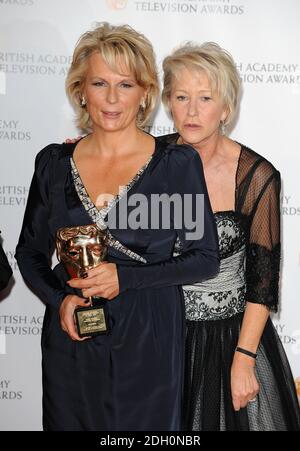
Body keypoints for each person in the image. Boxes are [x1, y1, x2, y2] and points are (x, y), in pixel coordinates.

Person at [15, 23, 219, 431]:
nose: (111, 98)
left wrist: (125, 279)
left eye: (125, 84)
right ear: (81, 90)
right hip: (73, 335)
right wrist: (61, 301)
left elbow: (204, 259)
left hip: (149, 335)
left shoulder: (177, 165)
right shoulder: (53, 164)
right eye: (99, 83)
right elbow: (29, 252)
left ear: (144, 93)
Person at [158, 42, 300, 431]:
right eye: (181, 96)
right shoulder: (148, 160)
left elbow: (262, 283)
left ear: (226, 109)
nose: (191, 110)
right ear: (168, 101)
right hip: (158, 335)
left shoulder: (257, 177)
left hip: (228, 338)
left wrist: (243, 358)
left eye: (205, 98)